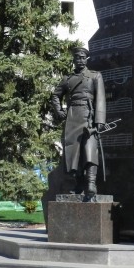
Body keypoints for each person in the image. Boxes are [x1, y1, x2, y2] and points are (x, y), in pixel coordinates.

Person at [51, 47, 106, 197]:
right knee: (72, 152)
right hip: (72, 117)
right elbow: (55, 95)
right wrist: (59, 111)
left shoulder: (95, 75)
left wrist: (99, 120)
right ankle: (75, 183)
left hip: (89, 117)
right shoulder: (67, 79)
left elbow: (100, 98)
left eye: (82, 57)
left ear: (86, 59)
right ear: (74, 60)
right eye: (77, 58)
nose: (80, 60)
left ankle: (91, 183)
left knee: (90, 149)